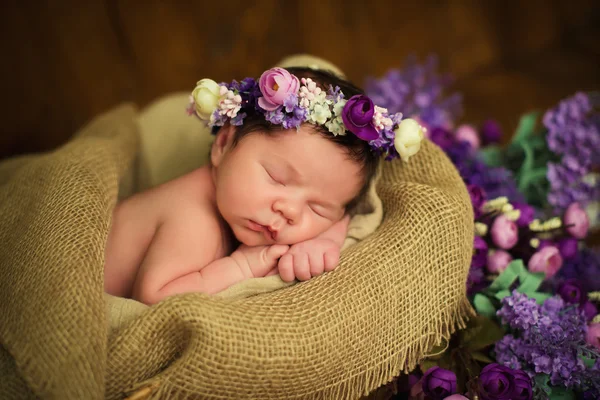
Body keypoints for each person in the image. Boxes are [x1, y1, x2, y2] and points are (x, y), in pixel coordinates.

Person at [103, 66, 425, 305]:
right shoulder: (194, 217)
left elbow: (347, 214)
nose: (289, 211)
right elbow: (154, 297)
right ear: (224, 143)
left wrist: (326, 238)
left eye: (317, 208)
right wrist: (241, 266)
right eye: (277, 178)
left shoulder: (236, 206)